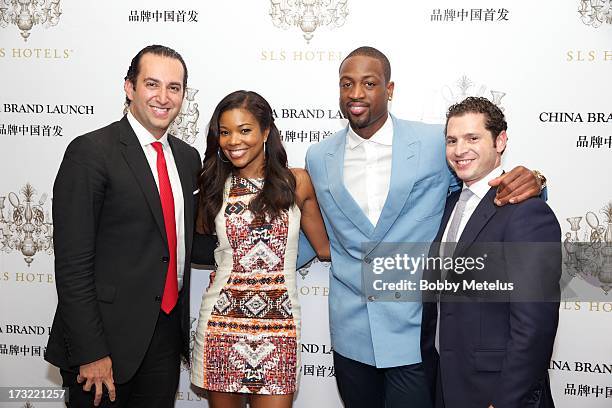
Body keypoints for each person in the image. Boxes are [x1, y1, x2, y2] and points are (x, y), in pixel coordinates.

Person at [300, 46, 545, 408]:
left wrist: (535, 181)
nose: (356, 93)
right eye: (346, 84)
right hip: (350, 332)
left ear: (390, 88)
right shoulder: (318, 157)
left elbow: (478, 193)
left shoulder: (435, 143)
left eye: (369, 83)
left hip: (416, 332)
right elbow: (318, 234)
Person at [45, 44, 215, 407]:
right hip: (105, 341)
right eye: (152, 84)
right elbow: (72, 265)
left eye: (174, 87)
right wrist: (90, 352)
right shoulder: (91, 152)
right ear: (129, 87)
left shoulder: (187, 158)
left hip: (165, 336)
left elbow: (186, 242)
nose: (164, 97)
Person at [190, 90, 330, 408]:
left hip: (278, 327)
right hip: (221, 323)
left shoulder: (297, 183)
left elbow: (324, 248)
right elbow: (196, 246)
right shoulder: (212, 185)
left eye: (245, 130)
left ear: (266, 132)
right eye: (224, 132)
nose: (233, 140)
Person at [421, 97, 560, 408]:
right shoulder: (447, 205)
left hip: (497, 391)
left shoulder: (527, 213)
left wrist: (506, 400)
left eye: (473, 138)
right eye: (452, 140)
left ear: (500, 141)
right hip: (448, 383)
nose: (459, 150)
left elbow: (534, 325)